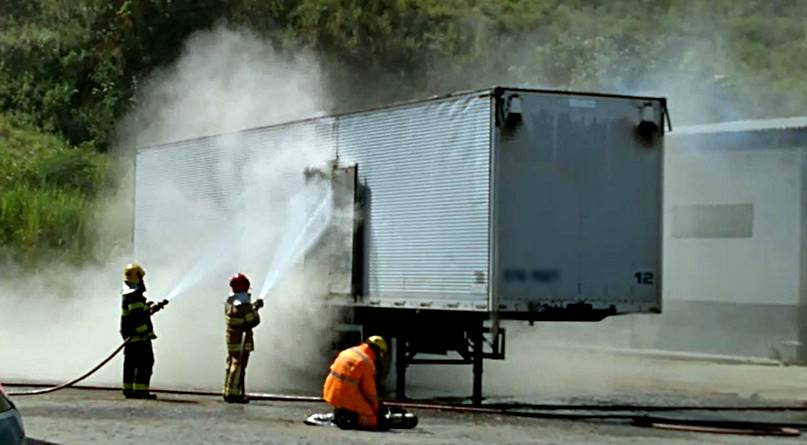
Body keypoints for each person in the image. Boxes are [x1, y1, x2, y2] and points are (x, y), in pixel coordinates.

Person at [120, 263, 167, 399]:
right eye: (141, 277)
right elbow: (137, 318)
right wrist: (145, 332)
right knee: (145, 363)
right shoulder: (134, 296)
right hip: (139, 338)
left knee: (130, 363)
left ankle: (128, 389)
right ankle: (140, 391)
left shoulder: (129, 295)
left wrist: (150, 309)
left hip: (131, 337)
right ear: (138, 277)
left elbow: (137, 313)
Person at [322, 335, 388, 430]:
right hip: (346, 397)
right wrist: (376, 409)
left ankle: (343, 413)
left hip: (330, 393)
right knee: (373, 420)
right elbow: (369, 392)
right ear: (377, 351)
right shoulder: (367, 362)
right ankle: (349, 419)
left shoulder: (349, 351)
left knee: (359, 402)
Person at [223, 273, 263, 404]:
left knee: (231, 363)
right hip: (241, 340)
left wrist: (252, 307)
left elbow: (241, 315)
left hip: (232, 338)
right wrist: (256, 309)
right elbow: (253, 321)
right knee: (238, 365)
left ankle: (228, 390)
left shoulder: (230, 303)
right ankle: (234, 395)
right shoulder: (244, 306)